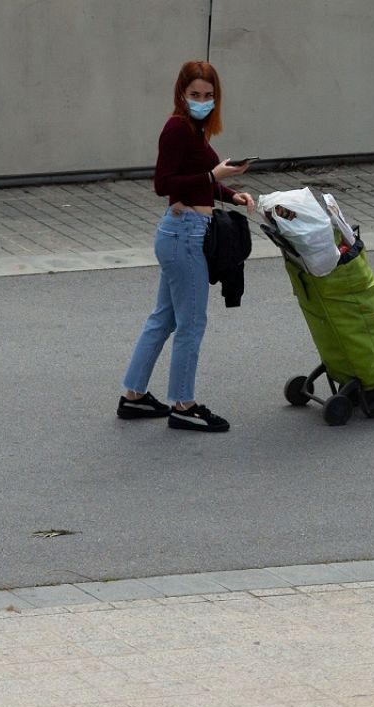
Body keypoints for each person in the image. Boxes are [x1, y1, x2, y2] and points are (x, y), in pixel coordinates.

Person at [118, 60, 257, 433]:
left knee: (163, 319)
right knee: (191, 324)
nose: (202, 101)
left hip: (182, 233)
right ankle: (184, 404)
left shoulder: (195, 130)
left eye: (208, 95)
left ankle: (133, 396)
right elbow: (164, 184)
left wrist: (231, 193)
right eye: (195, 94)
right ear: (181, 94)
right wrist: (213, 175)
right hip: (185, 236)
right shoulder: (177, 128)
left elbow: (197, 181)